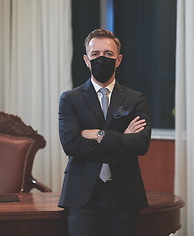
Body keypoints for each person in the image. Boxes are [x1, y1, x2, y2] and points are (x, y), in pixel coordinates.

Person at [58, 28, 152, 236]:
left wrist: (97, 134)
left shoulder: (135, 99)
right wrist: (122, 139)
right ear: (86, 60)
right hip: (82, 196)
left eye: (108, 54)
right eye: (95, 54)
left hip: (125, 195)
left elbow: (141, 144)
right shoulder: (70, 99)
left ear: (118, 60)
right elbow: (70, 144)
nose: (102, 59)